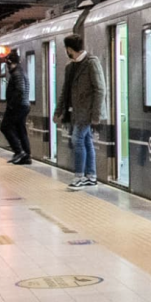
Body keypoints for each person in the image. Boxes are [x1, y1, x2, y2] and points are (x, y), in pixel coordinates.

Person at [54, 34, 107, 191]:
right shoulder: (70, 67)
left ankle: (79, 176)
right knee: (86, 141)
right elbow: (65, 91)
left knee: (77, 139)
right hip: (76, 112)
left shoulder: (92, 63)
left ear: (69, 49)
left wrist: (96, 114)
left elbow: (100, 89)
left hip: (87, 112)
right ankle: (91, 176)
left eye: (66, 49)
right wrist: (58, 111)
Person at [0, 51, 32, 164]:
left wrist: (12, 105)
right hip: (24, 105)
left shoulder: (16, 73)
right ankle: (26, 156)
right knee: (20, 129)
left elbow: (20, 90)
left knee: (5, 127)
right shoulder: (21, 72)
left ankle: (19, 151)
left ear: (10, 63)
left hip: (18, 106)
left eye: (8, 64)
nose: (7, 67)